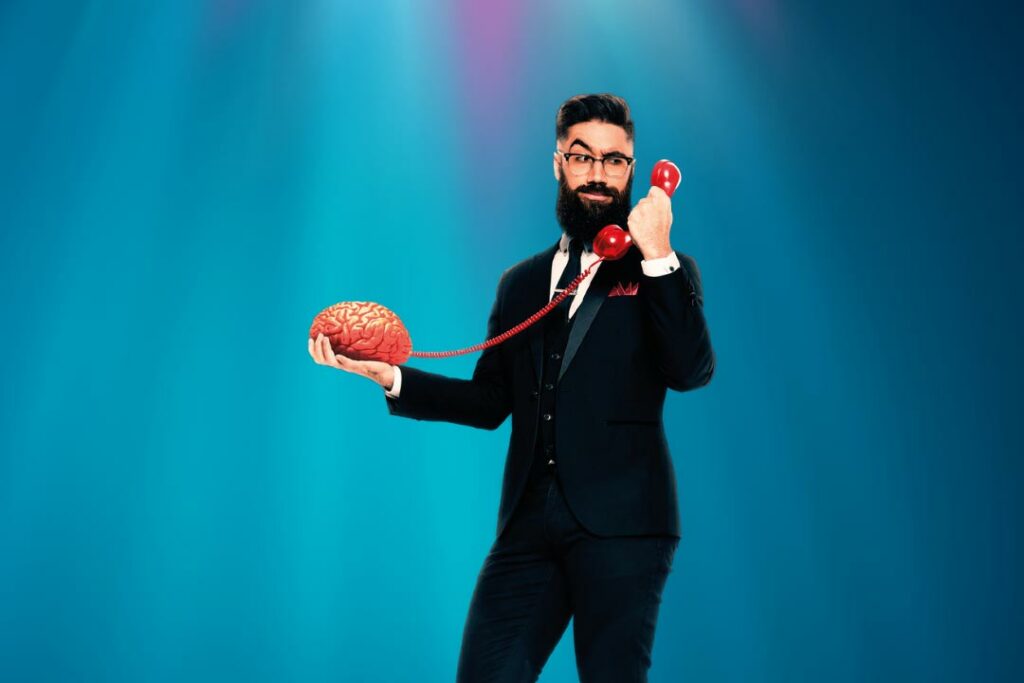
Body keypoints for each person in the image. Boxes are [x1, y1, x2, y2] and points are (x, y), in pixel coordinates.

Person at [308, 93, 715, 682]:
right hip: (529, 523)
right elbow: (489, 402)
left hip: (625, 523)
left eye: (614, 160)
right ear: (558, 164)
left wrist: (656, 253)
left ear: (634, 170)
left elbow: (691, 371)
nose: (598, 174)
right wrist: (390, 376)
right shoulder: (520, 284)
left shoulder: (663, 271)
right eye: (582, 157)